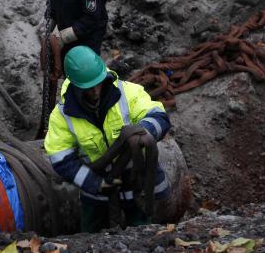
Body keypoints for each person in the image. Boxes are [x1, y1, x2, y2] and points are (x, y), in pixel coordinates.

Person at [44, 46, 171, 233]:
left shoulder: (127, 93)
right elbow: (60, 157)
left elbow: (159, 115)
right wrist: (94, 183)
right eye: (89, 88)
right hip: (97, 190)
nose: (95, 91)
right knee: (91, 238)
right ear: (76, 87)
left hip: (136, 184)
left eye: (98, 83)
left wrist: (144, 131)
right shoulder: (63, 115)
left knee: (145, 235)